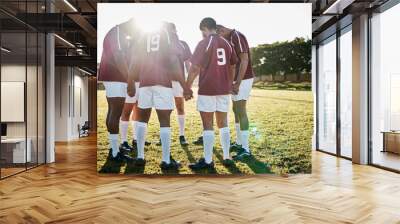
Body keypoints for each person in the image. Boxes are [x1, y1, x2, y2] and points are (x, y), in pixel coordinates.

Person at [127, 23, 189, 169]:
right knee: (164, 120)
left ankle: (140, 156)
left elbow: (134, 60)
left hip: (145, 82)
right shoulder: (168, 36)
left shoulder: (143, 36)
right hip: (162, 82)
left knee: (142, 119)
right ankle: (166, 160)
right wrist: (184, 85)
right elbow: (174, 61)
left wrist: (130, 82)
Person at [185, 17, 238, 170]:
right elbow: (233, 65)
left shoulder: (204, 42)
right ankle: (227, 156)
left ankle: (208, 160)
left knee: (208, 125)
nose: (202, 35)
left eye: (202, 32)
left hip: (208, 89)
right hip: (223, 89)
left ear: (205, 28)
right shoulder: (227, 43)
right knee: (223, 123)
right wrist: (230, 82)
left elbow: (194, 68)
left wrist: (187, 87)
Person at [98, 18, 136, 162]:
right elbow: (119, 57)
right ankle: (114, 152)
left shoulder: (118, 33)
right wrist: (130, 80)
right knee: (115, 113)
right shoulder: (117, 33)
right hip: (115, 76)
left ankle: (114, 148)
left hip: (113, 77)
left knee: (112, 113)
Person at [217, 24, 255, 160]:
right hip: (236, 80)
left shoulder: (236, 36)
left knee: (241, 110)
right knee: (236, 110)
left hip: (243, 79)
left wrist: (237, 82)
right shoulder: (229, 38)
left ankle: (246, 149)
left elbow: (244, 59)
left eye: (218, 36)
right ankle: (239, 143)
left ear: (221, 31)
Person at [156, 23, 192, 146]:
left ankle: (182, 135)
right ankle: (164, 135)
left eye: (171, 30)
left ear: (175, 30)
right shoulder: (160, 44)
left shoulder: (183, 44)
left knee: (180, 107)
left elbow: (188, 63)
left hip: (178, 80)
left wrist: (187, 82)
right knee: (165, 109)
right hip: (163, 81)